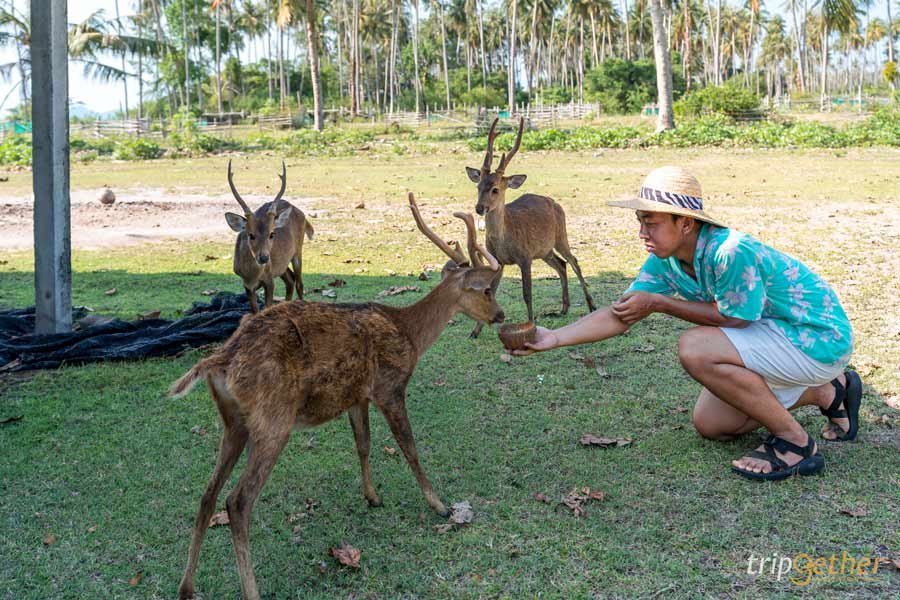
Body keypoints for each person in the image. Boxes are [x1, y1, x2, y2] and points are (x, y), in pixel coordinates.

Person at [515, 166, 861, 481]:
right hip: (775, 339)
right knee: (713, 425)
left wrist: (661, 303)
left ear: (685, 223)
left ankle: (796, 444)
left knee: (695, 346)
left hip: (816, 340)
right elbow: (621, 314)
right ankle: (828, 391)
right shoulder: (666, 260)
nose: (641, 233)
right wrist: (554, 338)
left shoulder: (729, 251)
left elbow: (735, 319)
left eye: (650, 222)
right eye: (640, 221)